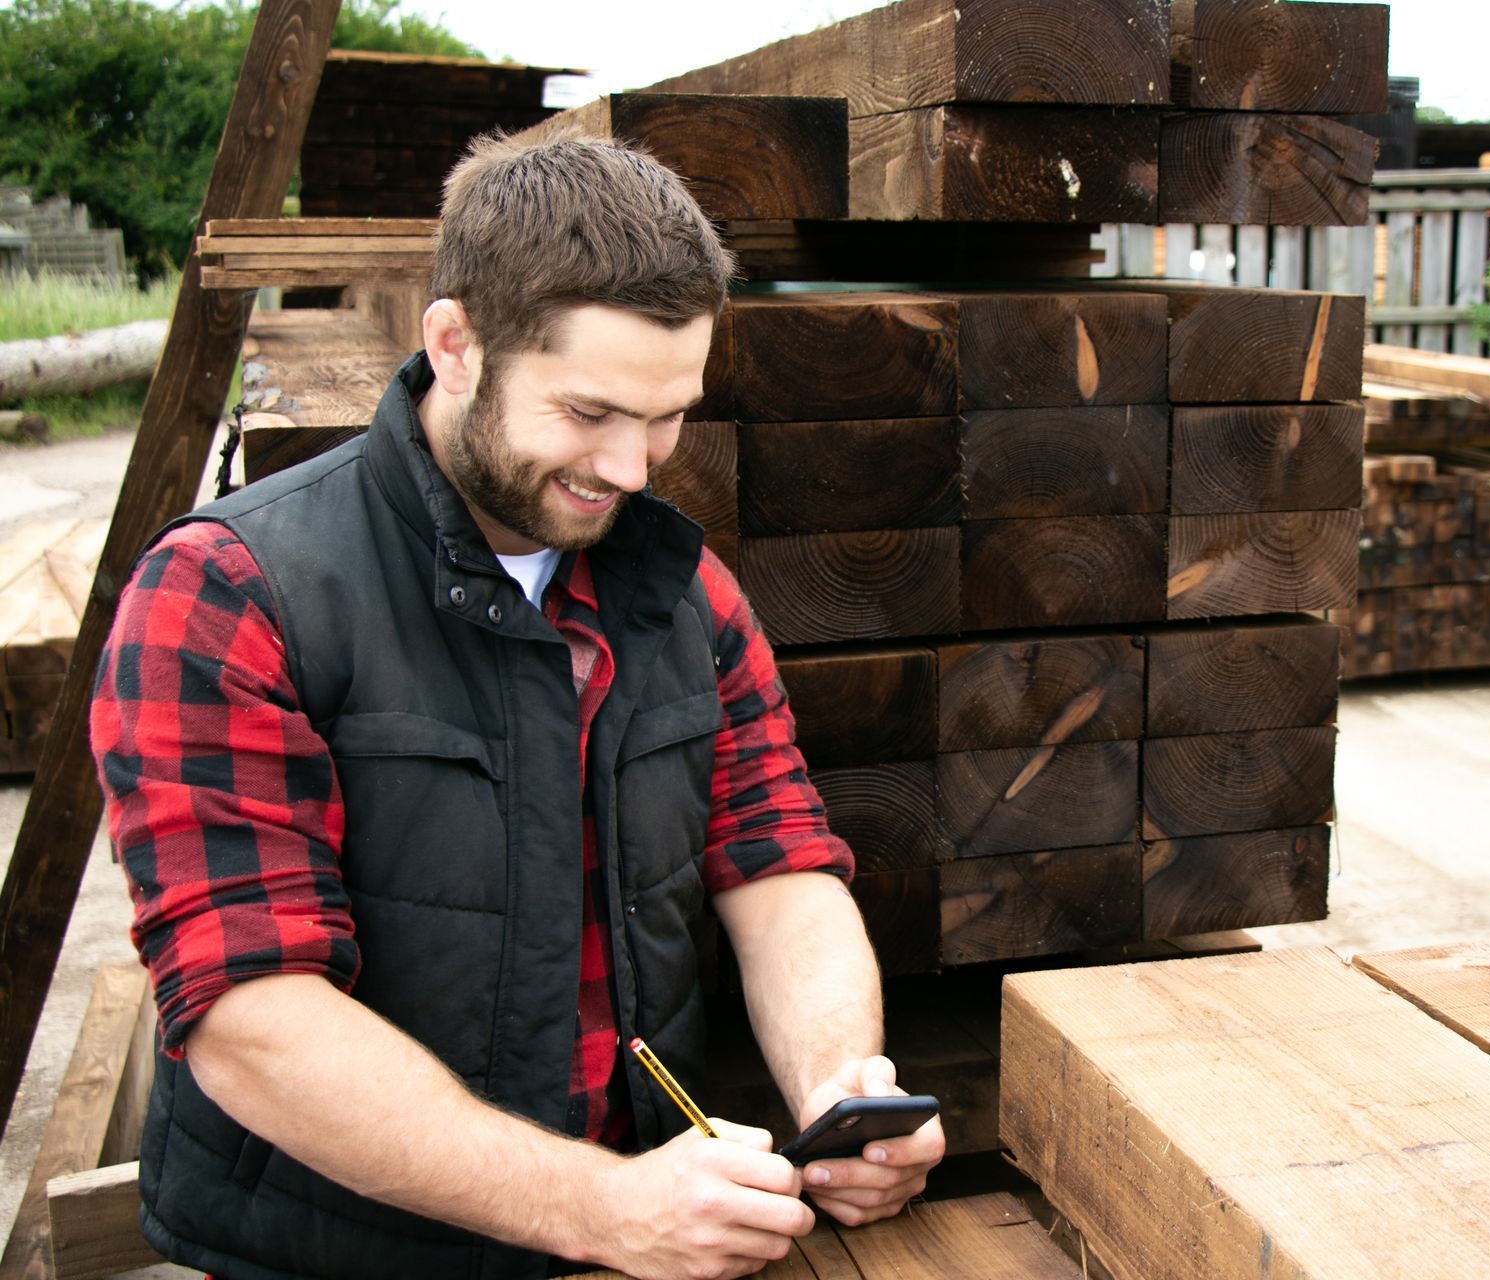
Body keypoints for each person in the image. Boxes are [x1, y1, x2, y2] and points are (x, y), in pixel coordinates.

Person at [87, 130, 943, 1280]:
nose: (636, 467)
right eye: (589, 410)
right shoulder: (228, 592)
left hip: (628, 1234)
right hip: (333, 1256)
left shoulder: (683, 592)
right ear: (454, 344)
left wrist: (844, 1083)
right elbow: (250, 1018)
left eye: (668, 414)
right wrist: (600, 1205)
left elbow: (780, 865)